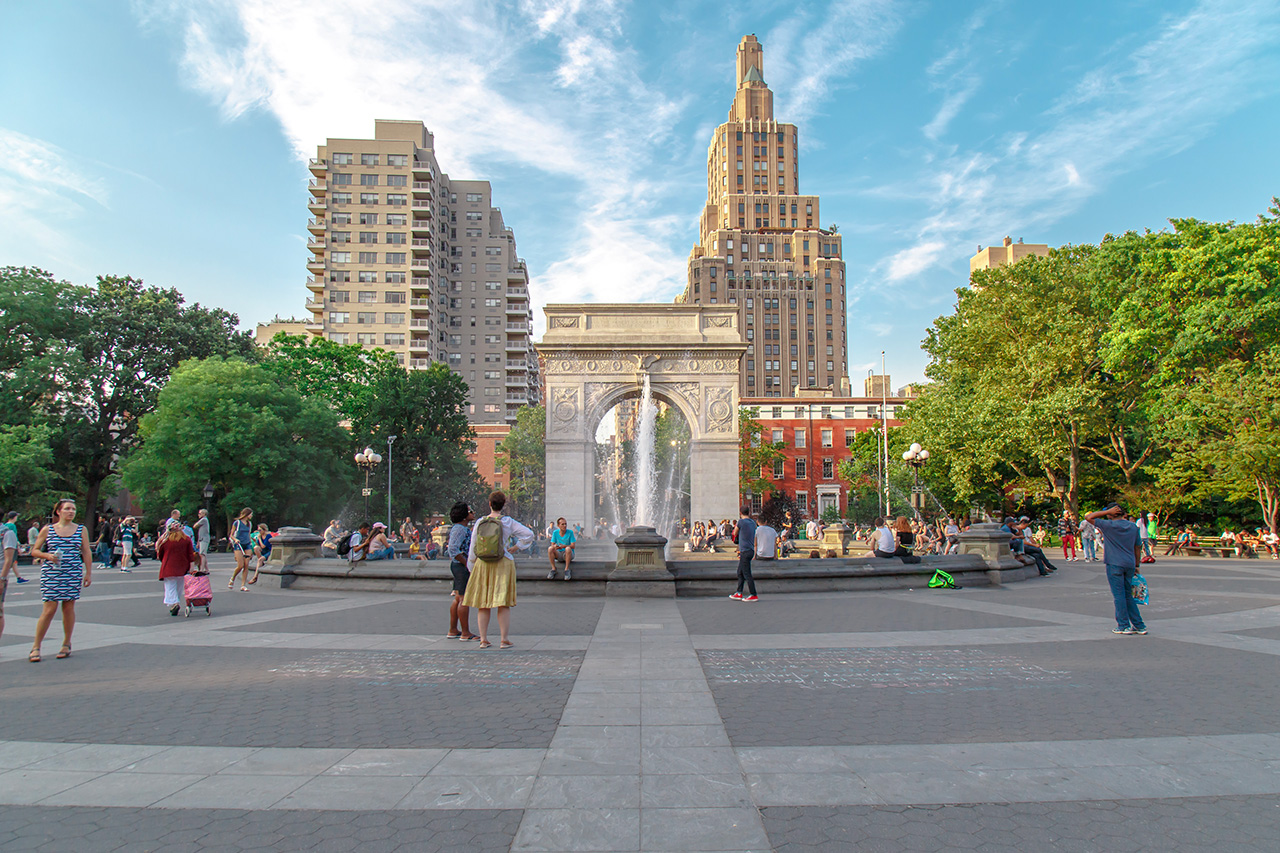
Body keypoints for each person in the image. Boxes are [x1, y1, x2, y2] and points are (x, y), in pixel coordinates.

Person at [463, 490, 534, 649]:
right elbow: (528, 534)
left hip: (483, 563)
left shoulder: (481, 521)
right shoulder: (508, 522)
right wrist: (516, 547)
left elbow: (473, 546)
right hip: (503, 562)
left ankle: (483, 639)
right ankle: (504, 639)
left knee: (483, 603)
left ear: (489, 504)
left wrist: (472, 566)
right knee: (503, 603)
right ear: (504, 505)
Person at [28, 498, 93, 662]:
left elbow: (86, 552)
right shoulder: (48, 529)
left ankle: (66, 643)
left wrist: (88, 573)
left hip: (72, 572)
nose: (71, 512)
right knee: (49, 608)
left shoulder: (81, 530)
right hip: (52, 572)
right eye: (67, 509)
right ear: (59, 511)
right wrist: (47, 555)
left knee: (68, 606)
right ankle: (36, 646)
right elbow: (34, 551)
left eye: (73, 509)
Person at [1085, 504, 1147, 635]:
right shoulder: (1133, 527)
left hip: (1114, 563)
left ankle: (1123, 625)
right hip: (1129, 563)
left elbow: (1088, 517)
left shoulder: (1108, 526)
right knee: (1128, 595)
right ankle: (1139, 625)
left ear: (1111, 514)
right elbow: (1138, 547)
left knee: (1119, 595)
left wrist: (1107, 511)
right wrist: (1137, 565)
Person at [446, 502, 477, 640]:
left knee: (458, 598)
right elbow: (453, 549)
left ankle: (453, 630)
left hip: (457, 565)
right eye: (470, 511)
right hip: (461, 566)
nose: (473, 513)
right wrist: (467, 564)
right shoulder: (461, 529)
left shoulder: (459, 528)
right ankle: (465, 632)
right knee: (464, 599)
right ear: (464, 516)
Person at [157, 522, 196, 616]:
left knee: (170, 586)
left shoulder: (166, 540)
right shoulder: (186, 539)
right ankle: (175, 601)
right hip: (183, 566)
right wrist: (191, 566)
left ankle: (174, 603)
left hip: (168, 566)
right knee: (179, 586)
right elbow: (191, 554)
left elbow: (160, 553)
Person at [730, 505, 759, 601]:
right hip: (750, 550)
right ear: (749, 512)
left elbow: (735, 533)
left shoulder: (741, 522)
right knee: (740, 572)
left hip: (744, 551)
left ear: (740, 513)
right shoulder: (752, 522)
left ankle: (753, 594)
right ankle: (739, 592)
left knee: (746, 573)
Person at [228, 508, 254, 591]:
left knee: (246, 565)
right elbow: (231, 535)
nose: (251, 516)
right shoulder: (237, 523)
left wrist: (252, 545)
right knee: (240, 565)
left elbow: (249, 534)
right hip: (238, 544)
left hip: (247, 544)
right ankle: (232, 578)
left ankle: (243, 585)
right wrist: (235, 540)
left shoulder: (249, 524)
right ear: (247, 514)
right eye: (250, 514)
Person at [192, 508, 211, 573]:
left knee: (202, 554)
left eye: (200, 513)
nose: (198, 515)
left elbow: (195, 526)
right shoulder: (204, 520)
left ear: (203, 514)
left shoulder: (204, 519)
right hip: (201, 539)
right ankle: (206, 569)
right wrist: (198, 542)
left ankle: (201, 569)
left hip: (204, 539)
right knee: (202, 554)